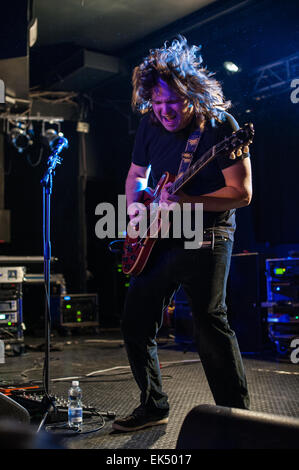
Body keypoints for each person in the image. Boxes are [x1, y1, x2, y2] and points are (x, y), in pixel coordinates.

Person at [112, 36, 252, 432]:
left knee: (208, 320)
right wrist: (137, 208)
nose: (164, 111)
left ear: (190, 92)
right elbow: (137, 175)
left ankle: (236, 418)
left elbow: (240, 194)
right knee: (135, 322)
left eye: (171, 102)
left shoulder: (221, 127)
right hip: (160, 234)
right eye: (156, 103)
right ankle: (153, 405)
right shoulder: (149, 125)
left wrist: (187, 200)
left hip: (207, 233)